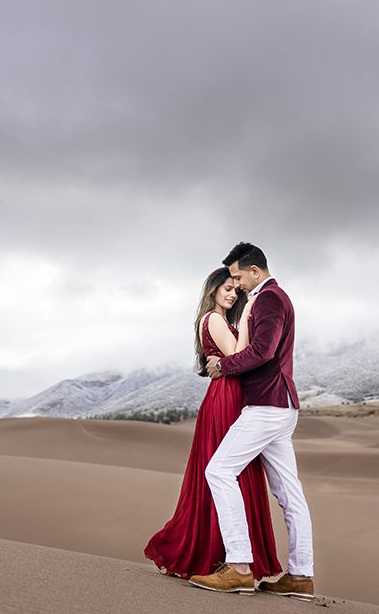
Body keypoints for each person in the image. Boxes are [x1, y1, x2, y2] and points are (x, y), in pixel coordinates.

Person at [189, 242, 315, 600]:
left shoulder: (270, 299)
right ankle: (301, 576)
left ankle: (240, 568)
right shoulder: (272, 298)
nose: (237, 283)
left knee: (218, 471)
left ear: (254, 271)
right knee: (290, 493)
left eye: (238, 276)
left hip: (266, 406)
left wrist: (223, 366)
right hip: (280, 406)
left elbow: (264, 351)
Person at [143, 267, 282, 584]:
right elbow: (238, 355)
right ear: (213, 289)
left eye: (237, 290)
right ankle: (227, 560)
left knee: (231, 473)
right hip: (227, 398)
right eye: (228, 288)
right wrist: (248, 318)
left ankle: (233, 558)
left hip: (229, 395)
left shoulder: (216, 320)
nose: (233, 294)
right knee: (230, 472)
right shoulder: (215, 319)